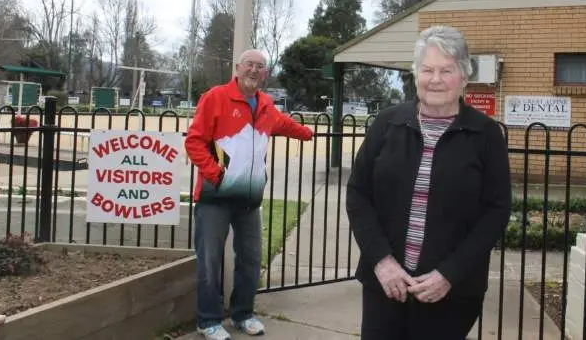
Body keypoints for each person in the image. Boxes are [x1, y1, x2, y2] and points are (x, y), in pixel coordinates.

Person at [346, 25, 512, 340]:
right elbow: (358, 194)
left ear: (464, 76)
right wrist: (382, 261)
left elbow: (496, 212)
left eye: (446, 70)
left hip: (451, 291)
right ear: (416, 74)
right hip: (386, 285)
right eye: (427, 70)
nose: (435, 79)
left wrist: (448, 275)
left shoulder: (486, 134)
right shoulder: (387, 123)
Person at [185, 49, 314, 340]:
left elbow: (284, 125)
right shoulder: (215, 97)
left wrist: (307, 133)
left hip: (249, 201)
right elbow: (194, 141)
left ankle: (243, 314)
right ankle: (208, 321)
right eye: (249, 65)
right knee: (210, 261)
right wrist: (216, 175)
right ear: (238, 68)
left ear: (265, 73)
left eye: (260, 67)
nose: (254, 71)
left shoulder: (266, 105)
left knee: (251, 259)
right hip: (215, 198)